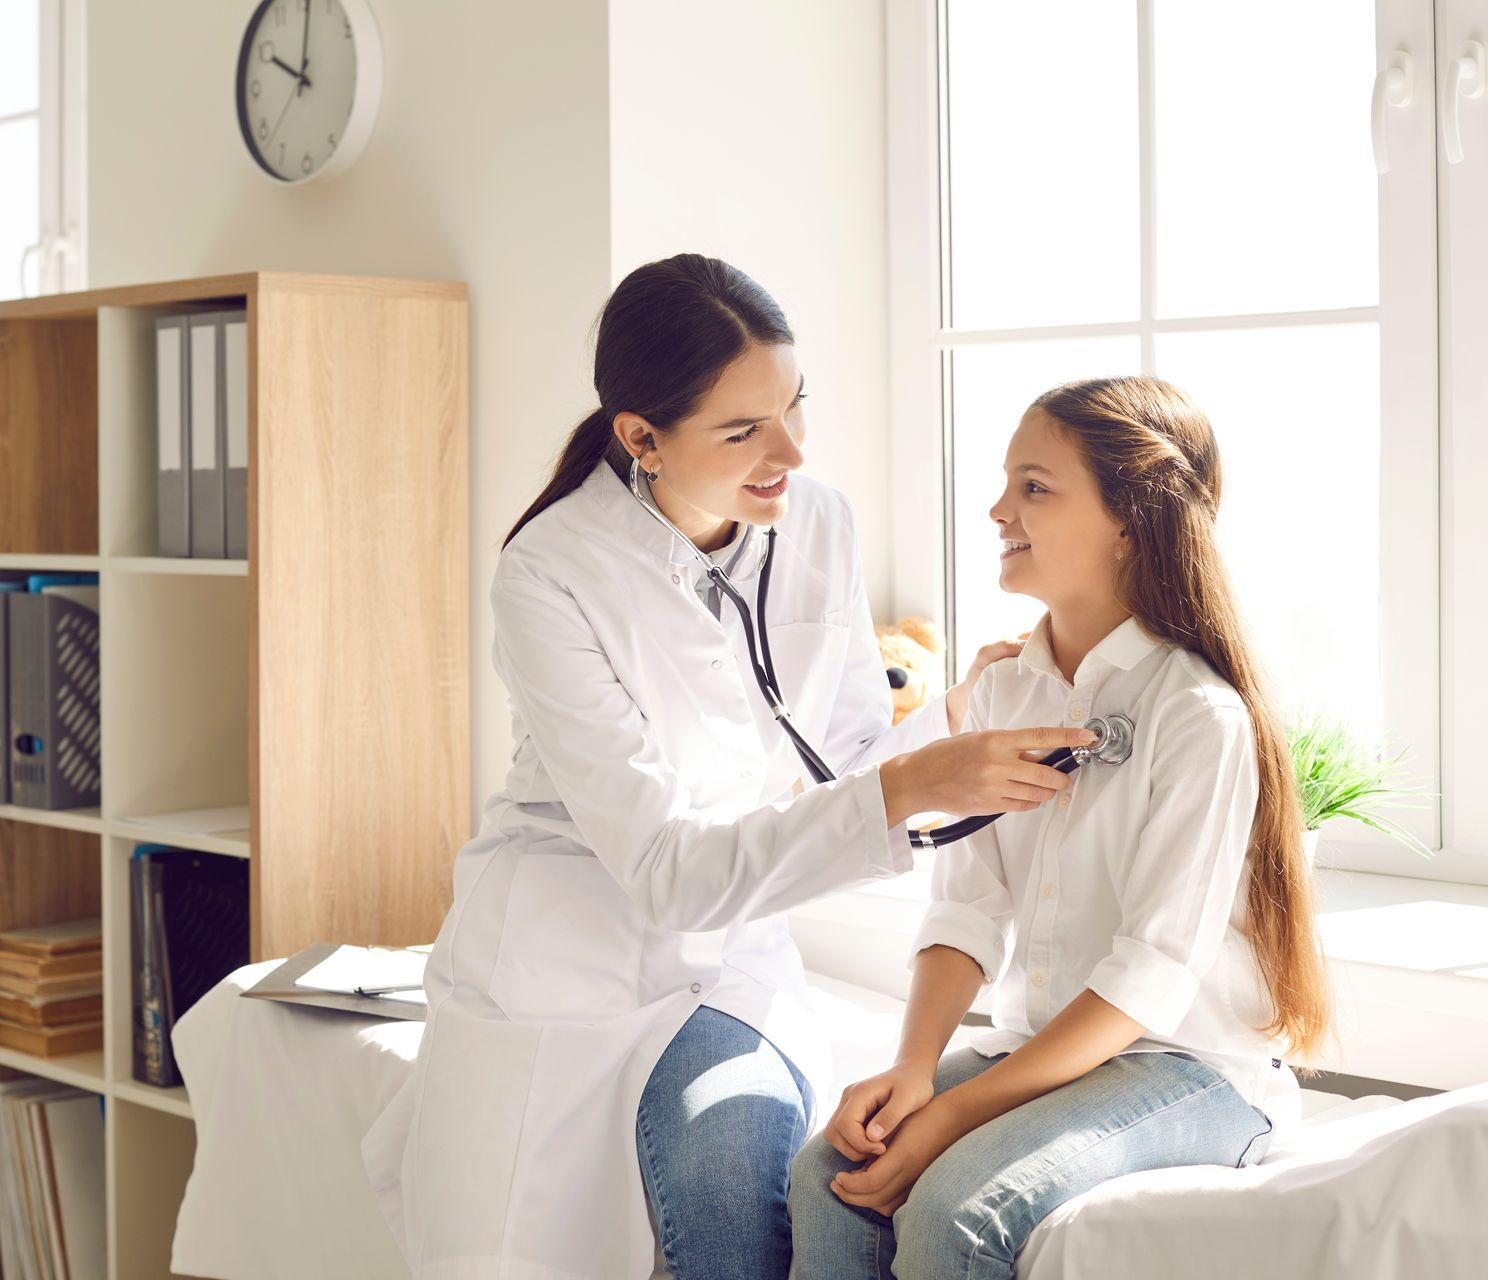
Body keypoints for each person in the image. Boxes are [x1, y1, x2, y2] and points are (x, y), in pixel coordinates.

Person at [361, 254, 1092, 1280]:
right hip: (567, 955)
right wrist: (917, 783)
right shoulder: (549, 574)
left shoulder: (815, 521)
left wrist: (950, 724)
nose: (788, 450)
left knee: (732, 1190)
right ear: (640, 437)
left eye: (794, 407)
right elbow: (663, 868)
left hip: (730, 964)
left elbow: (840, 758)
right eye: (744, 430)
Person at [788, 376, 1333, 1280]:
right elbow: (967, 910)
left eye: (1035, 487)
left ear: (1131, 519)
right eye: (1007, 482)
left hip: (1187, 1067)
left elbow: (1148, 977)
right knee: (828, 1173)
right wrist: (914, 1070)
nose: (999, 508)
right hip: (1045, 1054)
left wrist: (952, 1118)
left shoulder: (1199, 714)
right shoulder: (1005, 691)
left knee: (958, 1214)